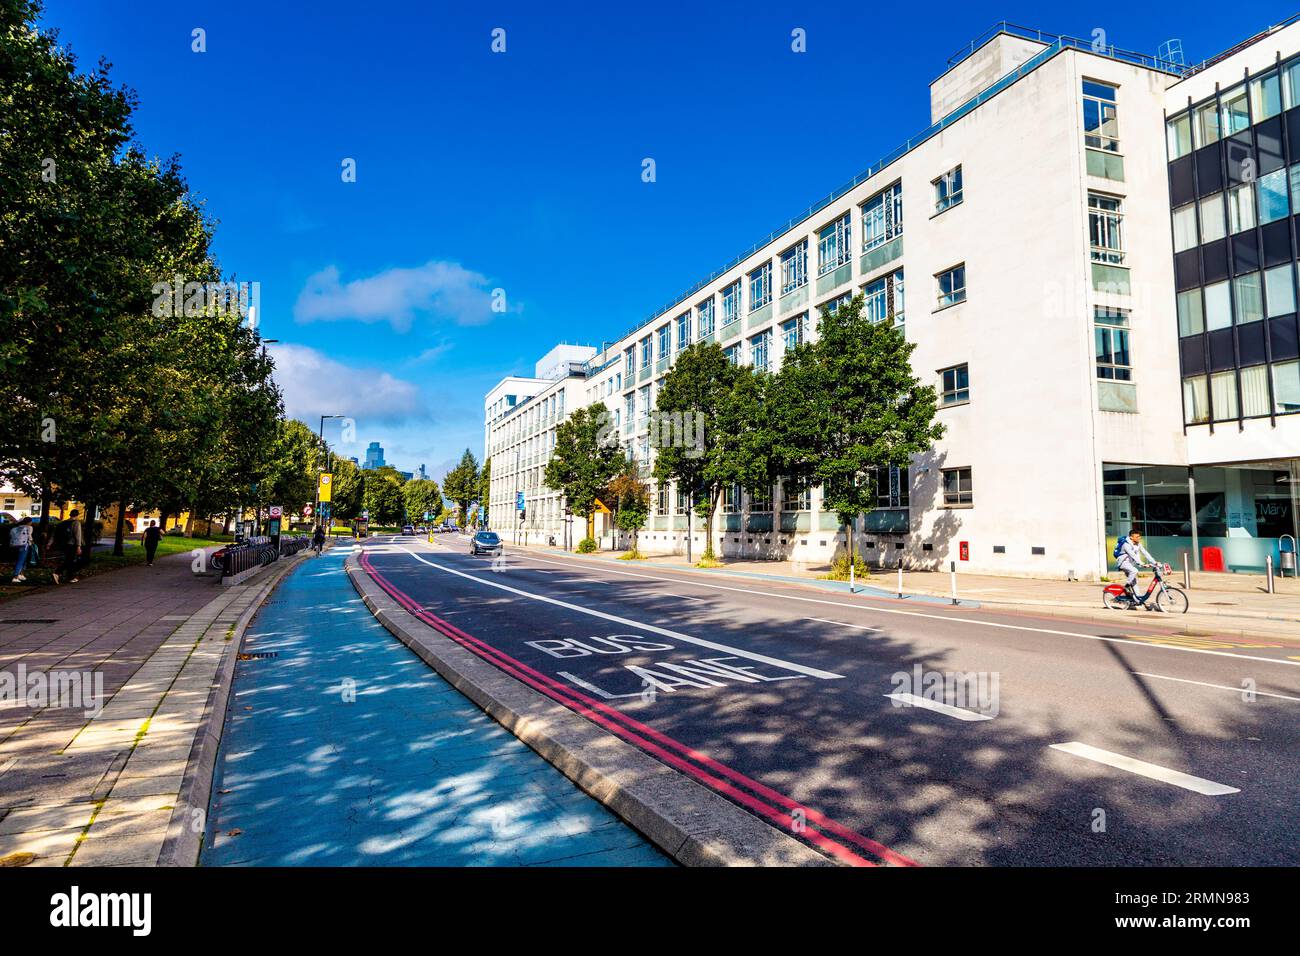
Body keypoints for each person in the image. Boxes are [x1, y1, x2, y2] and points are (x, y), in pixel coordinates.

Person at [1116, 528, 1157, 608]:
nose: (1139, 538)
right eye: (1137, 536)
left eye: (1139, 536)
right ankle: (1126, 586)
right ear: (1131, 537)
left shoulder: (1138, 544)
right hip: (1123, 563)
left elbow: (1145, 553)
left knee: (1134, 583)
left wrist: (1154, 562)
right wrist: (1141, 563)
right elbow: (1133, 555)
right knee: (1134, 571)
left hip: (1130, 564)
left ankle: (1138, 601)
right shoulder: (1126, 544)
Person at [53, 509, 84, 585]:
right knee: (70, 560)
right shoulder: (76, 523)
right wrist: (78, 546)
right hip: (72, 544)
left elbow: (55, 534)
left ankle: (70, 576)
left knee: (69, 560)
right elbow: (78, 535)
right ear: (77, 515)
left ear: (70, 514)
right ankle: (58, 573)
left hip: (64, 544)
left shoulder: (64, 523)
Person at [9, 517, 33, 583]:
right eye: (31, 521)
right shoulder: (29, 527)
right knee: (21, 560)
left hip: (15, 545)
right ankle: (15, 577)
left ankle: (21, 574)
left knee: (22, 560)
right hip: (24, 545)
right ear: (28, 522)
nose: (31, 523)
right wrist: (32, 542)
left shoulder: (15, 528)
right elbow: (29, 537)